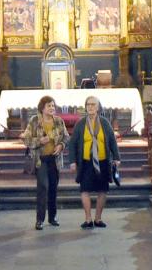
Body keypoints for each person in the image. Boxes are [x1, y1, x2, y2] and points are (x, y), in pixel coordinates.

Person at [66, 94, 118, 229]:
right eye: (88, 104)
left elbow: (112, 141)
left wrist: (116, 157)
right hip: (86, 162)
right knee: (84, 190)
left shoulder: (105, 122)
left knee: (102, 190)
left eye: (93, 104)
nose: (90, 107)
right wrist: (72, 161)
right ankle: (88, 219)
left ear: (98, 107)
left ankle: (98, 219)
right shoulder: (80, 123)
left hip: (102, 161)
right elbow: (72, 143)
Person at [22, 95, 67, 230]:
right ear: (42, 108)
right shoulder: (34, 121)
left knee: (53, 188)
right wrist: (39, 141)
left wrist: (61, 146)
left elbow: (66, 137)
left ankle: (52, 217)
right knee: (43, 188)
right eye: (49, 106)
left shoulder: (58, 121)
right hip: (40, 160)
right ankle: (39, 219)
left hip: (55, 160)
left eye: (53, 105)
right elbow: (26, 139)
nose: (52, 108)